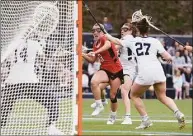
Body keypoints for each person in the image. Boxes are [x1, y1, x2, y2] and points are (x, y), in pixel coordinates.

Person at [104, 17, 185, 129]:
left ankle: (145, 120)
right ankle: (178, 113)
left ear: (138, 30)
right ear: (148, 30)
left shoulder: (133, 40)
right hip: (158, 71)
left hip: (145, 72)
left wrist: (107, 36)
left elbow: (116, 41)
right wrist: (168, 58)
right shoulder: (155, 41)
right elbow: (168, 57)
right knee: (162, 96)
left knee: (133, 95)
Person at [1, 39, 64, 135]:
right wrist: (57, 55)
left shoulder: (12, 43)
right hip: (29, 81)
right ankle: (52, 128)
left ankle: (1, 125)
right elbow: (44, 60)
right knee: (52, 100)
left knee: (4, 110)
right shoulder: (34, 43)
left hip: (12, 81)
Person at [90, 22, 138, 125]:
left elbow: (113, 44)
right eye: (121, 29)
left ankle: (128, 117)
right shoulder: (124, 40)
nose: (122, 30)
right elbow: (113, 48)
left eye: (125, 29)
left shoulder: (128, 38)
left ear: (130, 31)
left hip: (128, 69)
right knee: (98, 86)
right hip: (116, 68)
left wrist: (107, 38)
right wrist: (93, 50)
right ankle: (102, 102)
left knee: (124, 91)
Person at [82, 23, 123, 124]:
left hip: (116, 71)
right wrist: (82, 54)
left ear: (103, 31)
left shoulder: (106, 38)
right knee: (94, 82)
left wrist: (95, 52)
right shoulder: (95, 44)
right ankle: (99, 104)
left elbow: (108, 45)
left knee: (113, 96)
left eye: (98, 30)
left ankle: (113, 116)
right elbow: (92, 60)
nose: (95, 32)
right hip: (105, 69)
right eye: (93, 30)